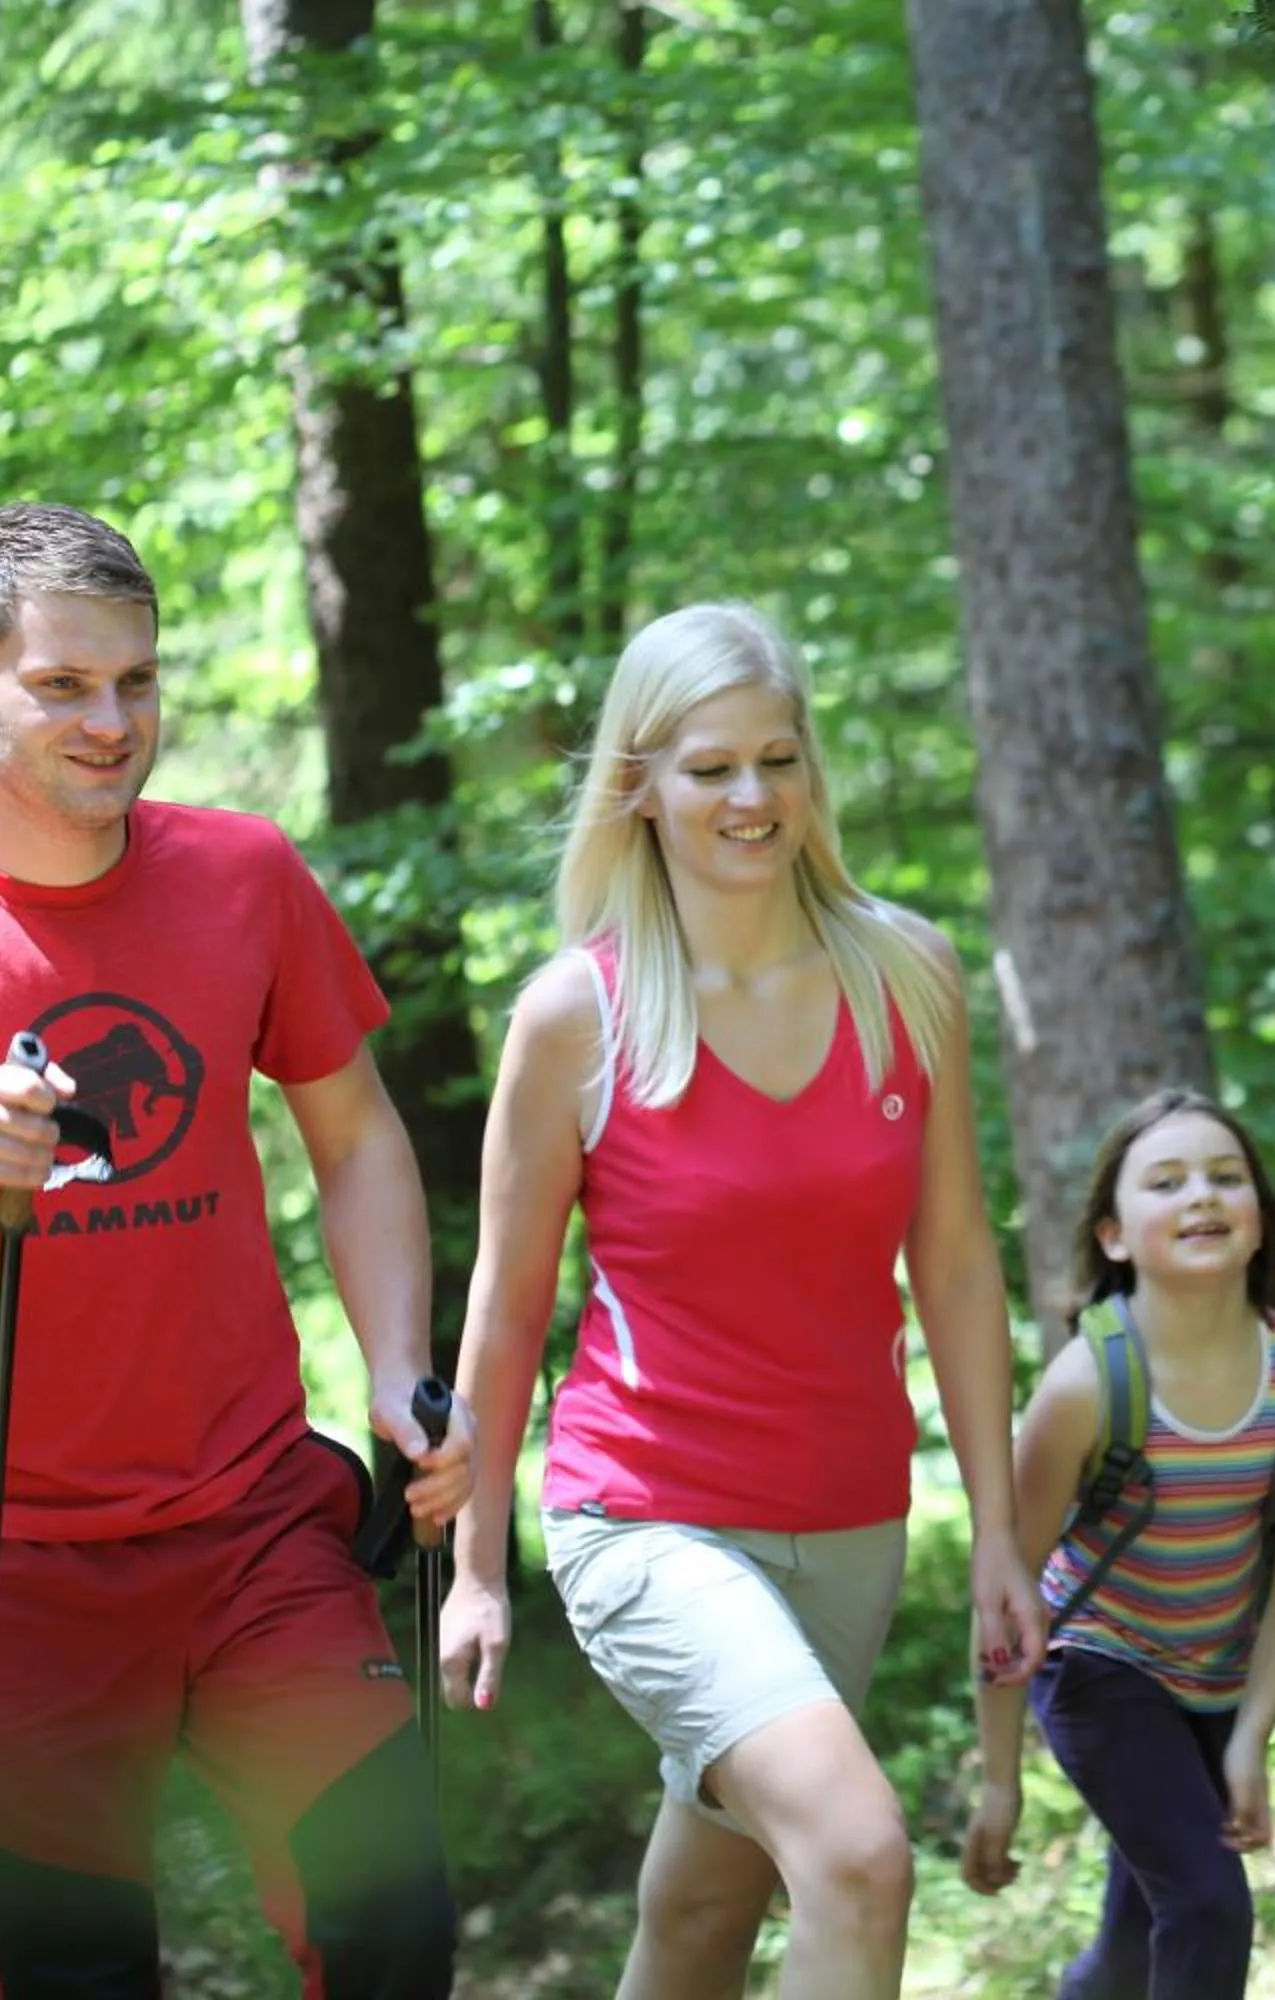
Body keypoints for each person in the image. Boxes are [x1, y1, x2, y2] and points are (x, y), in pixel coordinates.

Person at [0, 502, 475, 1994]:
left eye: (137, 682)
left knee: (393, 1931)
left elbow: (360, 1137)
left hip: (256, 1519)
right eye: (64, 684)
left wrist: (400, 1371)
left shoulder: (243, 874)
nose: (113, 719)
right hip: (6, 1562)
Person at [437, 600, 1045, 2000]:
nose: (753, 797)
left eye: (780, 760)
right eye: (712, 767)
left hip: (850, 1519)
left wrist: (1001, 1531)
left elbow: (954, 1264)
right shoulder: (574, 1016)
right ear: (638, 784)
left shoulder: (907, 976)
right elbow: (508, 1304)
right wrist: (473, 1566)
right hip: (646, 1512)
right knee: (856, 1852)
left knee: (709, 1911)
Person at [961, 1088, 1275, 2000]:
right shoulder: (1086, 1385)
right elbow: (1005, 1592)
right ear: (1113, 1235)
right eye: (1166, 1182)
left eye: (1226, 1179)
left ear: (1260, 1222)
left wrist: (1252, 1732)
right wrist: (999, 1783)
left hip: (1220, 1669)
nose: (1201, 1198)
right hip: (1098, 1659)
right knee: (1209, 1906)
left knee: (1143, 1931)